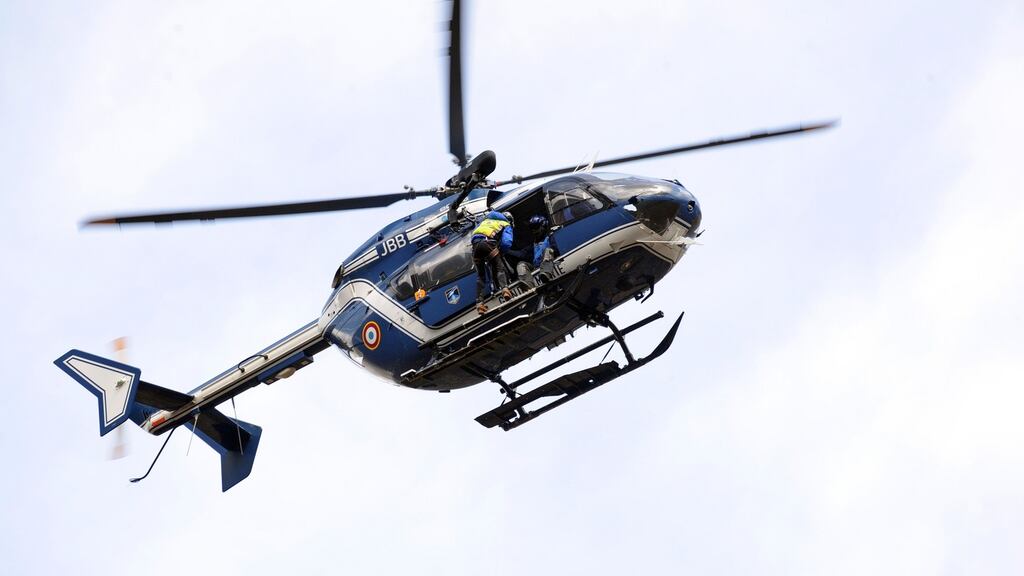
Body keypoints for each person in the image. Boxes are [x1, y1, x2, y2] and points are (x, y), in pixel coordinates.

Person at [472, 211, 514, 313]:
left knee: (481, 276)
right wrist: (500, 252)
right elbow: (506, 243)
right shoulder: (505, 224)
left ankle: (479, 304)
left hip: (475, 247)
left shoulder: (485, 221)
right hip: (488, 243)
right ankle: (505, 290)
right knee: (499, 267)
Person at [514, 215, 556, 288]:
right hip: (536, 267)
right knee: (521, 264)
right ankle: (528, 285)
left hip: (550, 264)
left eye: (536, 227)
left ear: (543, 226)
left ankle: (546, 273)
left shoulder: (551, 237)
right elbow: (521, 254)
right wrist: (506, 250)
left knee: (548, 250)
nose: (534, 230)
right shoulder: (533, 245)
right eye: (532, 228)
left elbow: (556, 249)